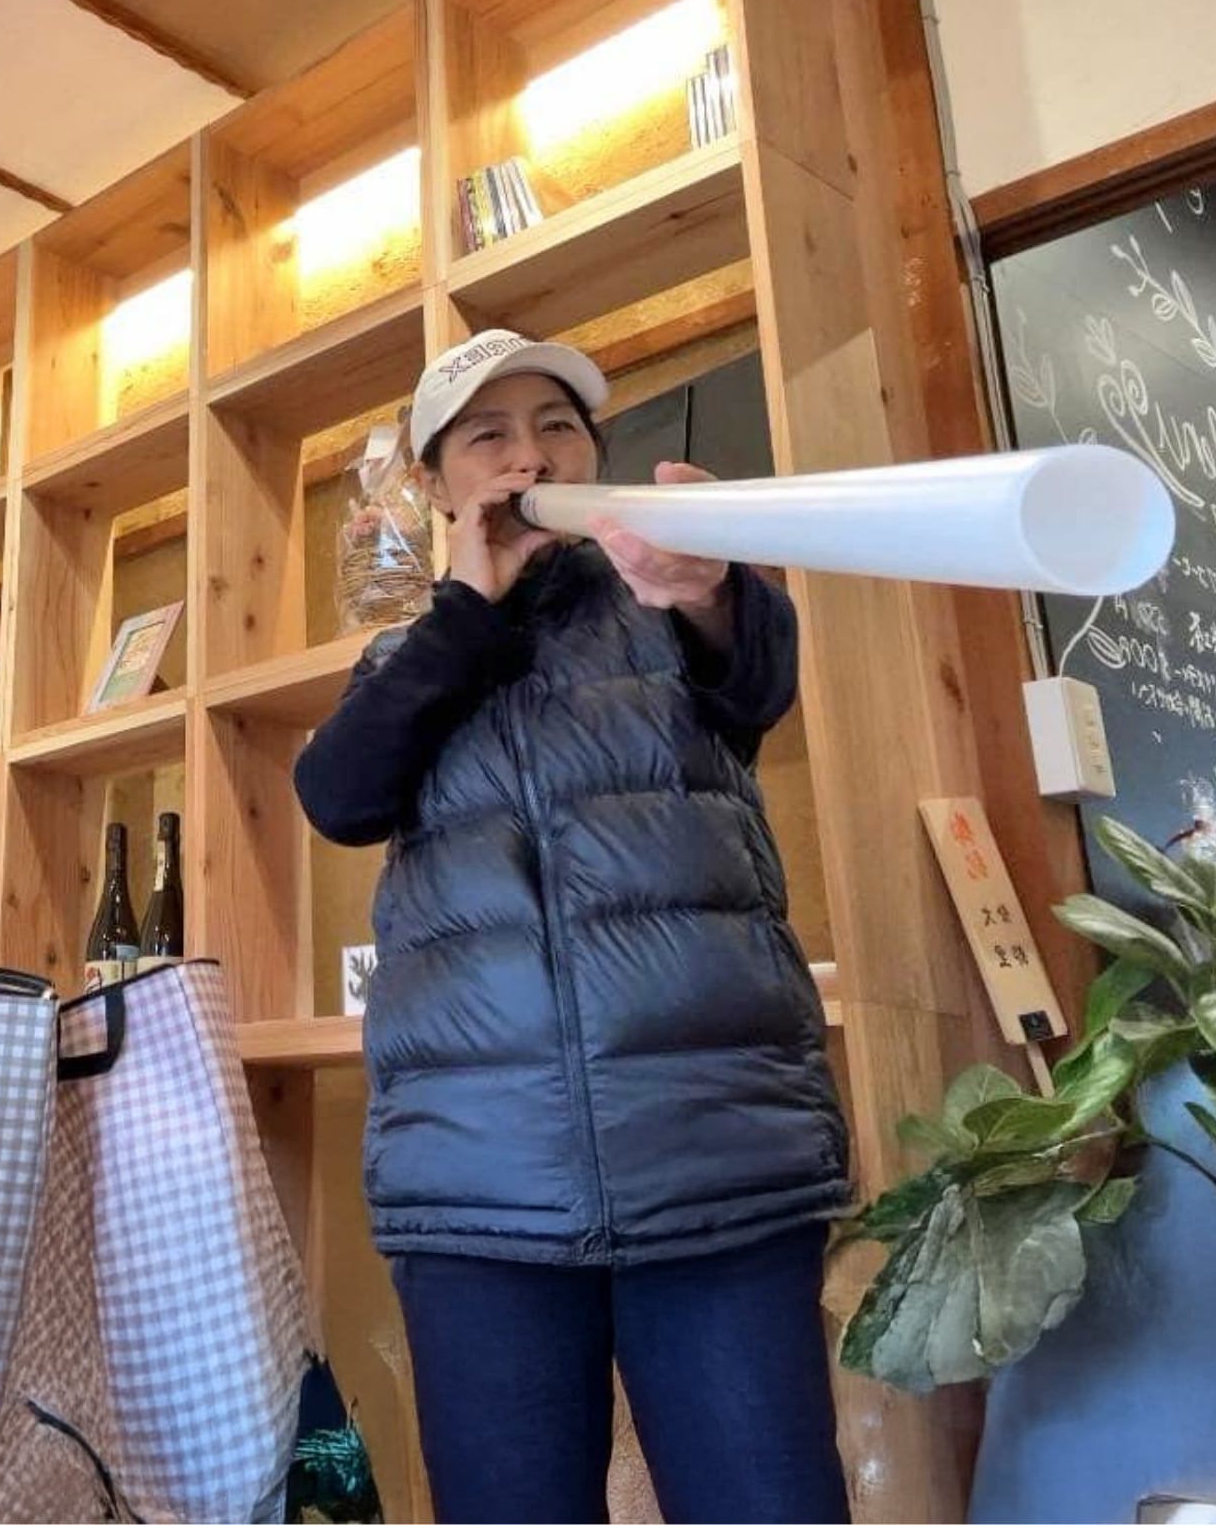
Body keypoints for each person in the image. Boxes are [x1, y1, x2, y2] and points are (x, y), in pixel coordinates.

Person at [294, 329, 851, 1525]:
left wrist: (714, 586)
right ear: (436, 484)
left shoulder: (672, 593)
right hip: (479, 1182)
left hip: (712, 1155)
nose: (529, 455)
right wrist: (464, 614)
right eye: (487, 435)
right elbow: (337, 797)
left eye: (557, 425)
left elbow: (758, 681)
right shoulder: (408, 659)